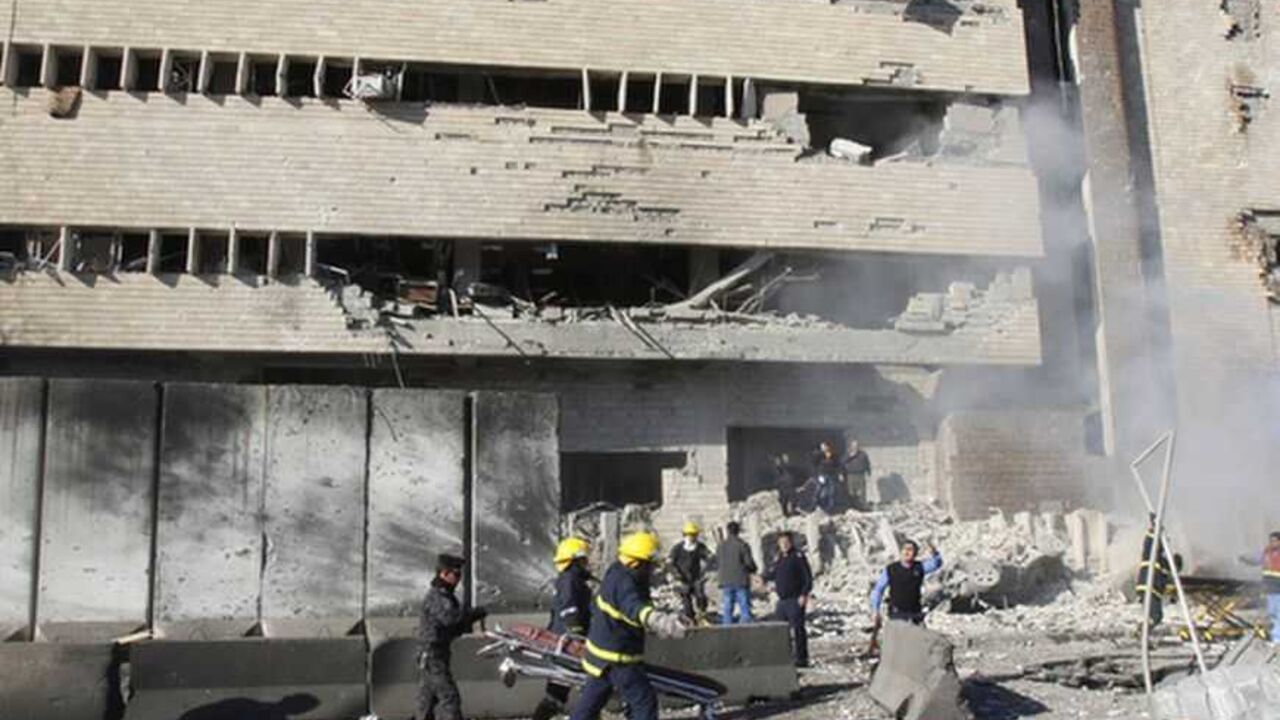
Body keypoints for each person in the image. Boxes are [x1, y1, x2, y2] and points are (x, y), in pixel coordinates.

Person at [570, 532, 686, 720]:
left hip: (600, 655)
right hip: (617, 658)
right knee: (644, 701)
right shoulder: (625, 582)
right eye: (650, 565)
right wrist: (661, 622)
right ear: (638, 563)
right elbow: (634, 607)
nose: (653, 570)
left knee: (592, 702)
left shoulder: (617, 571)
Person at [417, 553, 488, 720]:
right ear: (444, 573)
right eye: (455, 574)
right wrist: (472, 615)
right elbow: (450, 619)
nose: (458, 579)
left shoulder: (446, 596)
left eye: (460, 575)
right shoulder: (437, 596)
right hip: (432, 655)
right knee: (450, 699)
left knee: (426, 702)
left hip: (436, 655)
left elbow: (454, 626)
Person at [532, 537, 594, 720]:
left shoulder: (569, 579)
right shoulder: (570, 580)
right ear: (575, 560)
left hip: (564, 643)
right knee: (590, 692)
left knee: (559, 694)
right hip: (570, 645)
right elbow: (570, 609)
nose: (587, 563)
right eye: (584, 560)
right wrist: (578, 637)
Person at [764, 532, 813, 668]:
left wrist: (804, 594)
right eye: (781, 543)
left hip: (795, 599)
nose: (784, 545)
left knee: (798, 630)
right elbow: (774, 573)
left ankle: (802, 659)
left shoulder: (798, 557)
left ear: (791, 542)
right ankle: (783, 657)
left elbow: (807, 578)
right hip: (782, 601)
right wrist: (763, 578)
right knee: (780, 630)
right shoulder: (780, 558)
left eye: (786, 542)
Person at [869, 540, 943, 626]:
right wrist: (875, 610)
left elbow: (936, 563)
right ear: (901, 552)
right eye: (904, 549)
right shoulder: (891, 569)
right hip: (896, 614)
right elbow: (878, 589)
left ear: (915, 554)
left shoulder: (919, 567)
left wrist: (934, 552)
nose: (907, 552)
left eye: (910, 549)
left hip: (915, 614)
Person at [1238, 531, 1280, 643]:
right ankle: (1275, 638)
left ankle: (1277, 640)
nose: (1272, 543)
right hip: (1271, 589)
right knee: (1273, 614)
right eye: (1271, 541)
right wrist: (1244, 559)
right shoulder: (1267, 553)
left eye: (1275, 541)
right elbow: (1256, 560)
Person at [669, 522, 714, 623]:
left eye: (694, 535)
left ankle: (701, 613)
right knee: (686, 599)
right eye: (689, 535)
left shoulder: (699, 547)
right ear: (684, 535)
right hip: (682, 578)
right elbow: (670, 563)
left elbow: (709, 557)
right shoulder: (677, 548)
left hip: (696, 577)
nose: (692, 537)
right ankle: (689, 617)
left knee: (700, 596)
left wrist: (707, 570)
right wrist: (676, 575)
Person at [1135, 514, 1174, 630]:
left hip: (1152, 591)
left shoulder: (1164, 565)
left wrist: (1172, 596)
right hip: (1148, 587)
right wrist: (1155, 527)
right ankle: (1142, 633)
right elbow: (1150, 541)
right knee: (1156, 616)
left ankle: (1142, 632)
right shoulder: (1152, 555)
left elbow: (1167, 584)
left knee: (1157, 616)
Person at [716, 521, 758, 625]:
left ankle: (727, 628)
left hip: (725, 580)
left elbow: (718, 561)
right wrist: (753, 569)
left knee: (727, 606)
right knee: (744, 606)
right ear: (738, 531)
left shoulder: (721, 546)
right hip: (740, 580)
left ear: (728, 531)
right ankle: (745, 627)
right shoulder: (742, 545)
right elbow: (748, 562)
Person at [811, 441, 843, 514]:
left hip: (831, 476)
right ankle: (815, 506)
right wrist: (818, 475)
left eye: (825, 447)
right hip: (822, 475)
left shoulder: (833, 455)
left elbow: (838, 465)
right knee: (819, 492)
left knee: (831, 492)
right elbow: (814, 464)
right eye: (822, 447)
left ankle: (829, 509)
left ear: (828, 447)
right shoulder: (818, 455)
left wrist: (840, 473)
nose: (824, 448)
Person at [842, 439, 872, 511]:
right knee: (851, 491)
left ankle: (863, 506)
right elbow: (842, 462)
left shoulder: (863, 454)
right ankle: (852, 506)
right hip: (851, 475)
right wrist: (850, 456)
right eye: (854, 446)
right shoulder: (848, 453)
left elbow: (867, 463)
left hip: (860, 474)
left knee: (862, 491)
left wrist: (868, 472)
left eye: (857, 446)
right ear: (851, 446)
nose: (855, 447)